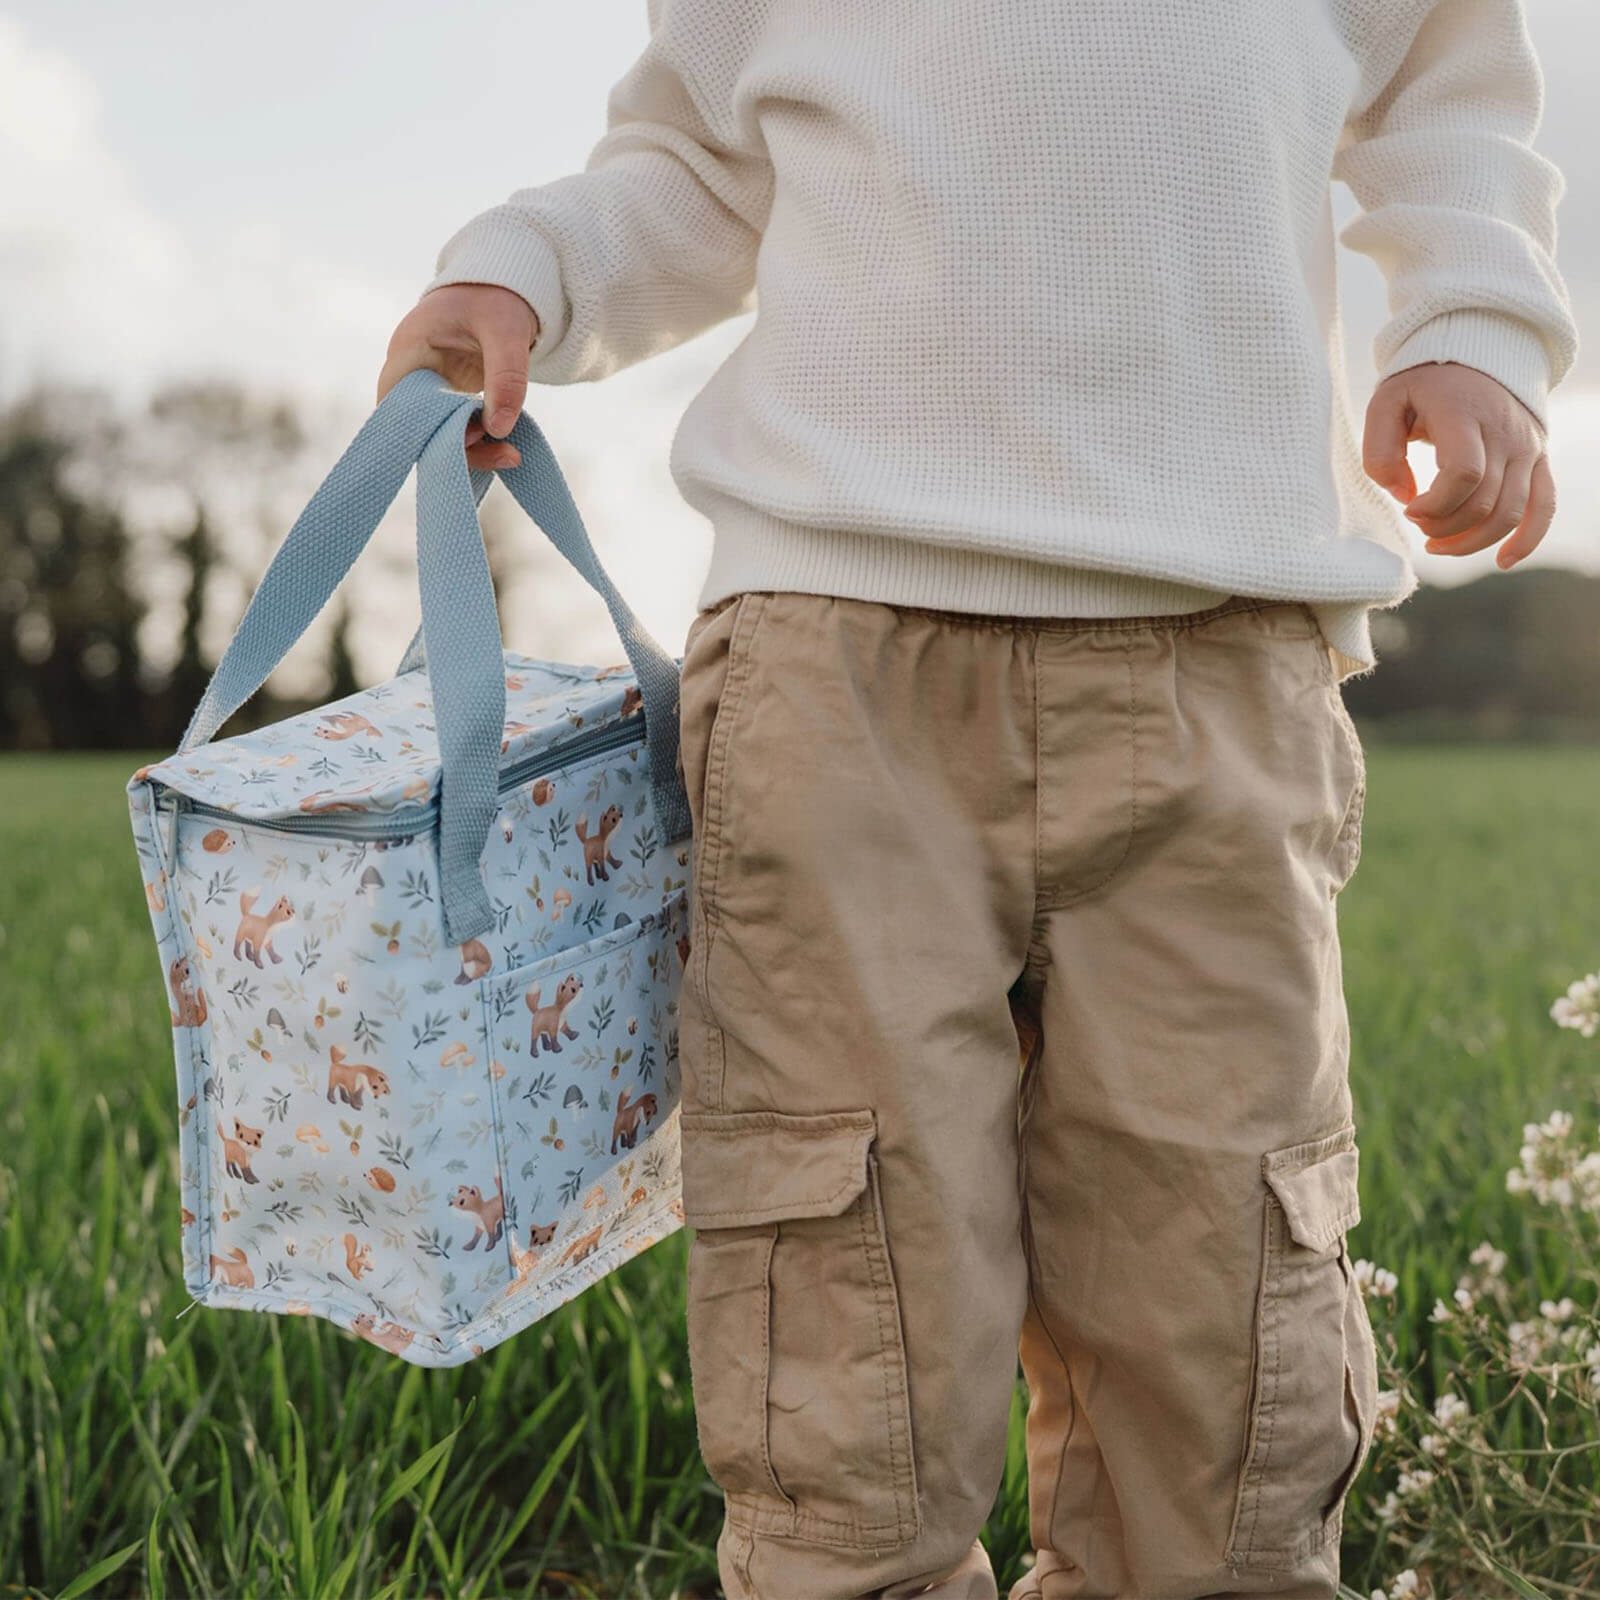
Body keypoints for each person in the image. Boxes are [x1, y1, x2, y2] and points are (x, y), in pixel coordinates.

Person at [377, 2, 1578, 1595]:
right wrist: (530, 268)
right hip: (838, 662)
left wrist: (1471, 329)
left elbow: (1447, 93)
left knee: (1217, 1266)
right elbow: (696, 166)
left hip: (1223, 651)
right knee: (848, 1256)